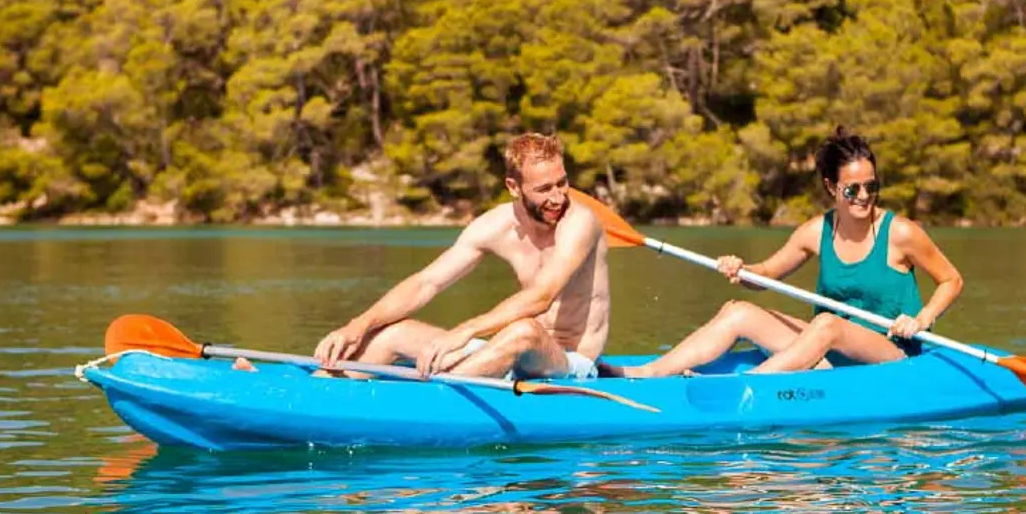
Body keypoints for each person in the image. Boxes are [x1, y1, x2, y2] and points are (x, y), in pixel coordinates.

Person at [615, 128, 963, 378]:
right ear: (831, 186)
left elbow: (951, 280)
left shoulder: (900, 233)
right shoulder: (816, 231)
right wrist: (743, 269)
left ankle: (750, 386)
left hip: (891, 354)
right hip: (827, 352)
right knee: (738, 312)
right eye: (852, 188)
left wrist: (921, 319)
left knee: (828, 324)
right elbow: (766, 274)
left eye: (871, 186)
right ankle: (649, 373)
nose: (864, 196)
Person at [312, 132, 610, 380]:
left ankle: (426, 405)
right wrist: (358, 325)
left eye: (562, 182)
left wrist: (463, 331)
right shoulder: (494, 225)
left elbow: (541, 297)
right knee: (392, 334)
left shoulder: (579, 222)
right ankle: (316, 395)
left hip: (567, 362)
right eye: (544, 189)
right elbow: (426, 282)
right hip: (503, 350)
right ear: (513, 187)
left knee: (524, 330)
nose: (557, 197)